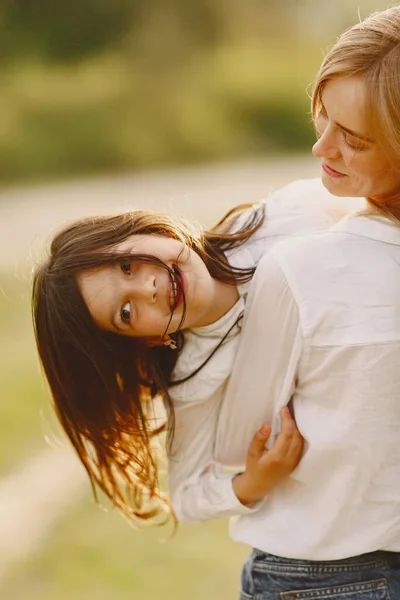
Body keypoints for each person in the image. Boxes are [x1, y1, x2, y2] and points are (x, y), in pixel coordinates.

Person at [31, 180, 357, 523]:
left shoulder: (274, 221)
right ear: (147, 340)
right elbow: (187, 497)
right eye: (126, 313)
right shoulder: (195, 377)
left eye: (127, 264)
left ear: (148, 228)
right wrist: (254, 482)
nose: (147, 288)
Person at [212, 5, 400, 597]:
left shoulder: (300, 268)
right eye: (324, 119)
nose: (322, 147)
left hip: (321, 573)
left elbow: (238, 439)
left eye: (354, 138)